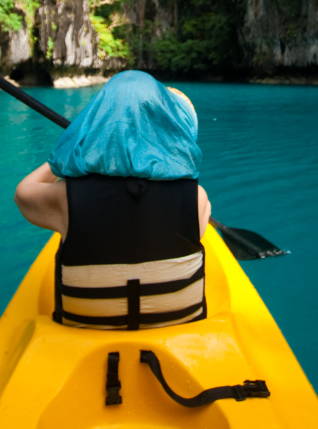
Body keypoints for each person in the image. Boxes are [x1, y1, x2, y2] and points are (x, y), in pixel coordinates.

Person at [15, 70, 211, 330]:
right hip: (178, 327)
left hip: (86, 331)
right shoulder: (196, 198)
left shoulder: (65, 198)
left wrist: (70, 150)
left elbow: (23, 193)